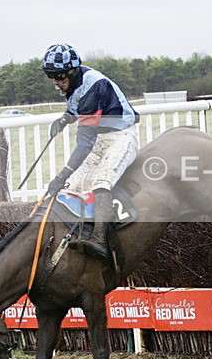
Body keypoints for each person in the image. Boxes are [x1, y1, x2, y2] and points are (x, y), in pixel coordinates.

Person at [41, 43, 140, 260]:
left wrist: (60, 175)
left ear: (70, 71)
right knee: (73, 185)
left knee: (100, 181)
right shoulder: (75, 81)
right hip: (101, 137)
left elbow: (85, 144)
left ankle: (99, 240)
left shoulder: (93, 86)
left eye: (58, 78)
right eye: (52, 77)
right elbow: (76, 105)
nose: (55, 83)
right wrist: (65, 118)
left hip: (122, 137)